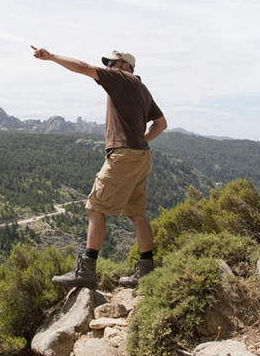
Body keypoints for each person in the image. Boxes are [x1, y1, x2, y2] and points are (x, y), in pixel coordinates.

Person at [30, 45, 167, 289]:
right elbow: (161, 123)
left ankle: (86, 271)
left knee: (95, 208)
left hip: (123, 155)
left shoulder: (120, 79)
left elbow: (83, 67)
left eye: (112, 63)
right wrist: (141, 140)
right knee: (137, 214)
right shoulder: (142, 88)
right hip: (141, 156)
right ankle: (146, 270)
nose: (108, 67)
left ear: (125, 66)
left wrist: (51, 56)